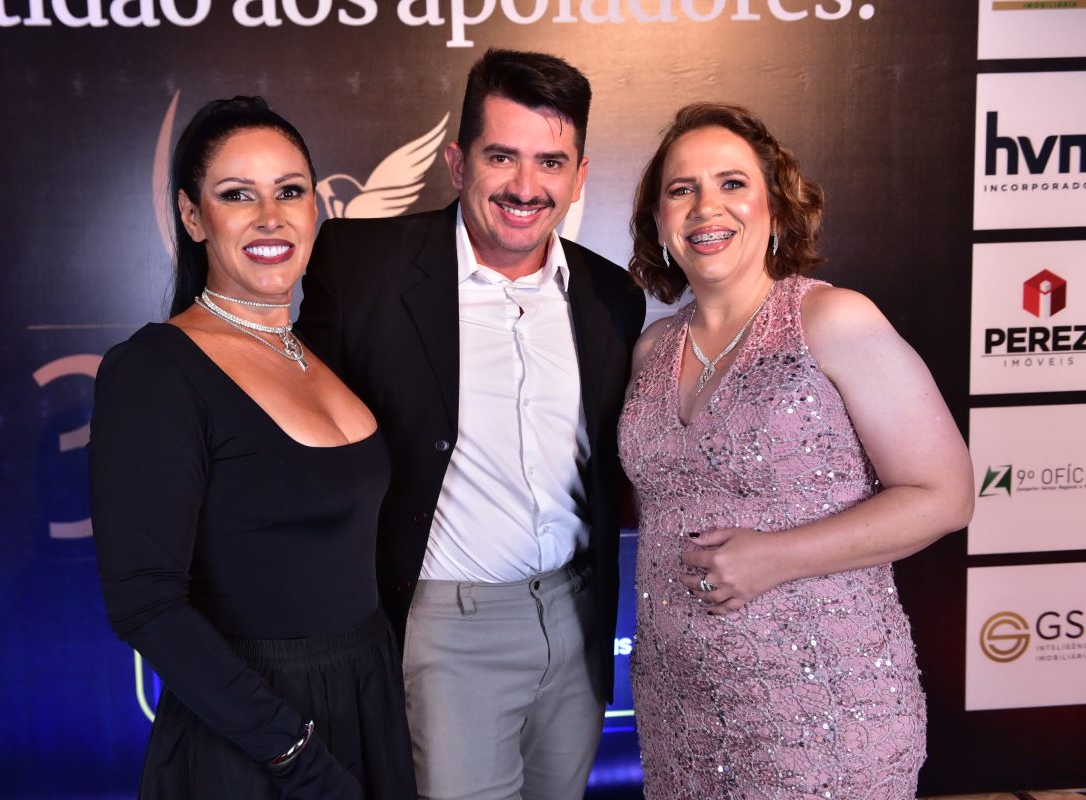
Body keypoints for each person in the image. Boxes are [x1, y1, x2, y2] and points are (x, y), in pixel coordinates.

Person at [295, 49, 645, 800]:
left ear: (580, 175)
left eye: (551, 162)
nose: (526, 187)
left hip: (578, 619)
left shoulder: (612, 295)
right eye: (502, 156)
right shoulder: (364, 268)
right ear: (458, 163)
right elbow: (299, 440)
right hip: (446, 628)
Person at [618, 102, 974, 799]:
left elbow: (947, 495)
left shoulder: (831, 319)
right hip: (678, 709)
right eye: (681, 190)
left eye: (732, 183)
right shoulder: (651, 350)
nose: (706, 207)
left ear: (776, 208)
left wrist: (777, 556)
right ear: (658, 222)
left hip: (823, 714)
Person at [89, 96, 417, 799]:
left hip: (366, 707)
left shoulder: (317, 356)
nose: (271, 216)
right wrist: (294, 754)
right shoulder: (156, 370)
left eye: (289, 191)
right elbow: (144, 603)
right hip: (254, 742)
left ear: (314, 209)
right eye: (238, 195)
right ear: (192, 217)